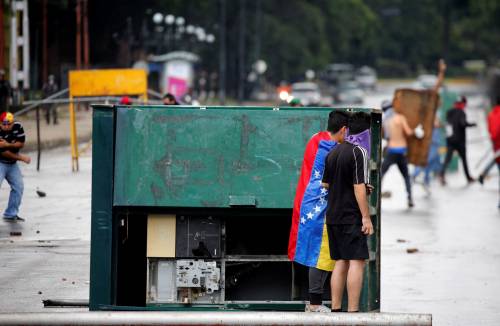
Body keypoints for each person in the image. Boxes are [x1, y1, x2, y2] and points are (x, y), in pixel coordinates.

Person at [321, 113, 374, 313]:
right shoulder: (358, 152)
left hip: (333, 215)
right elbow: (358, 187)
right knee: (356, 262)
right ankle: (352, 312)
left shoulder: (331, 153)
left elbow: (326, 184)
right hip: (351, 216)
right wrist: (366, 217)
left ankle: (336, 309)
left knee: (340, 262)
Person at [0, 112, 30, 222]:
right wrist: (21, 158)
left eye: (9, 124)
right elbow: (3, 153)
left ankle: (10, 214)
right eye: (4, 124)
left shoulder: (18, 126)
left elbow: (21, 143)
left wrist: (8, 144)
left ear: (13, 123)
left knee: (18, 187)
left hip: (12, 163)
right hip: (1, 162)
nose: (6, 127)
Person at [439, 96, 476, 185]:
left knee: (447, 159)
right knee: (464, 160)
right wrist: (472, 124)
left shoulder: (449, 112)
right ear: (463, 104)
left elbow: (447, 124)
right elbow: (463, 124)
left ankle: (441, 174)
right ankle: (468, 177)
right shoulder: (462, 113)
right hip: (460, 141)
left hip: (450, 140)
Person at [478, 97, 500, 207]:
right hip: (499, 144)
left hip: (496, 145)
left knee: (496, 161)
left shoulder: (491, 114)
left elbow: (491, 131)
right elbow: (496, 131)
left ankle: (483, 173)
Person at [412, 116, 443, 194]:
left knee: (430, 165)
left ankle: (426, 181)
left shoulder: (435, 124)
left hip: (435, 145)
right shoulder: (430, 118)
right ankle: (414, 174)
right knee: (426, 162)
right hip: (432, 146)